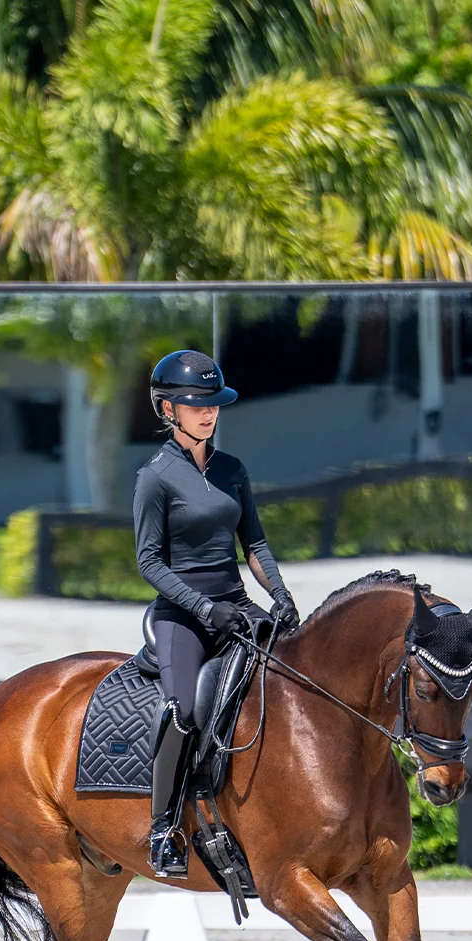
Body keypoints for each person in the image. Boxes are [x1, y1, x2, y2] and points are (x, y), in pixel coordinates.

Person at [132, 349, 300, 879]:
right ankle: (163, 828)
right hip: (182, 614)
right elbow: (149, 562)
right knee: (181, 709)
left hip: (234, 604)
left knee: (290, 688)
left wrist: (279, 595)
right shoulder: (155, 477)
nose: (208, 413)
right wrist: (205, 608)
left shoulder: (232, 470)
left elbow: (254, 543)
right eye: (194, 404)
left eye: (214, 404)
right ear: (167, 409)